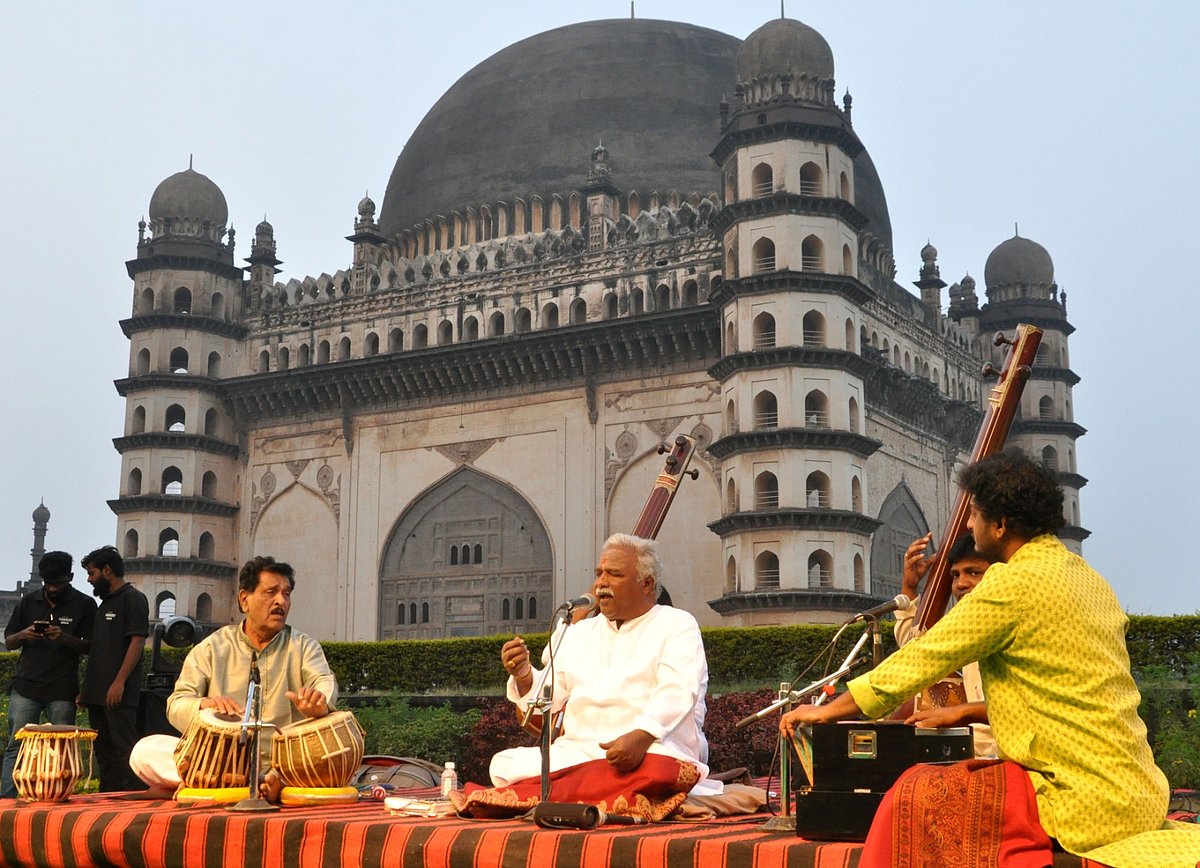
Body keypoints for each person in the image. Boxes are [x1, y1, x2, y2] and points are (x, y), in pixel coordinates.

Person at [780, 449, 1188, 860]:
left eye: (974, 513)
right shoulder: (1088, 577)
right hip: (1138, 792)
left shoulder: (1013, 583)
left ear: (1000, 523)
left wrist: (829, 711)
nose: (969, 524)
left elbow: (921, 659)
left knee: (913, 796)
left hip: (1080, 799)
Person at [491, 533, 720, 795]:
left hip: (651, 747)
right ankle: (600, 786)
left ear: (646, 584)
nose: (601, 583)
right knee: (504, 764)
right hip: (580, 752)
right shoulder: (578, 632)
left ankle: (574, 788)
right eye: (599, 573)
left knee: (661, 767)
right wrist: (524, 677)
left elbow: (677, 691)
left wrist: (642, 736)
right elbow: (547, 699)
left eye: (614, 574)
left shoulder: (677, 624)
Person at [129, 556, 337, 798]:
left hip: (287, 762)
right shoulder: (213, 648)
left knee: (334, 750)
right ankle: (256, 783)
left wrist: (319, 702)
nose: (281, 601)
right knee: (145, 750)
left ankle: (232, 784)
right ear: (244, 599)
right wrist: (204, 705)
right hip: (220, 760)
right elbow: (177, 703)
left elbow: (324, 682)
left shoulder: (303, 647)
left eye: (286, 594)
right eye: (271, 592)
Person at [2, 551, 96, 798]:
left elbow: (92, 646)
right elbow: (9, 641)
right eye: (49, 583)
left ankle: (57, 797)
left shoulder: (84, 604)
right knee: (17, 745)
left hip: (62, 688)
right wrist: (25, 634)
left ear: (70, 577)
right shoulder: (29, 601)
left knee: (62, 748)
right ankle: (8, 800)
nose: (53, 588)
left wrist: (64, 638)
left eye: (58, 583)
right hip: (27, 686)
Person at [894, 532, 994, 756]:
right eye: (955, 575)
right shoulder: (966, 628)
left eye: (973, 572)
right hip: (975, 749)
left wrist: (960, 713)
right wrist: (909, 588)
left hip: (1007, 752)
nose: (961, 584)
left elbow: (1019, 707)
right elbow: (916, 651)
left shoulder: (1012, 623)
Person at [80, 545, 149, 792]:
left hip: (118, 692)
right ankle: (108, 798)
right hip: (98, 692)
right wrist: (87, 690)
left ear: (107, 570)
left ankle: (133, 796)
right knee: (104, 752)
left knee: (125, 749)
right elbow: (100, 650)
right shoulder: (106, 603)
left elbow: (137, 642)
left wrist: (119, 682)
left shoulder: (133, 599)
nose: (89, 579)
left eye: (92, 573)